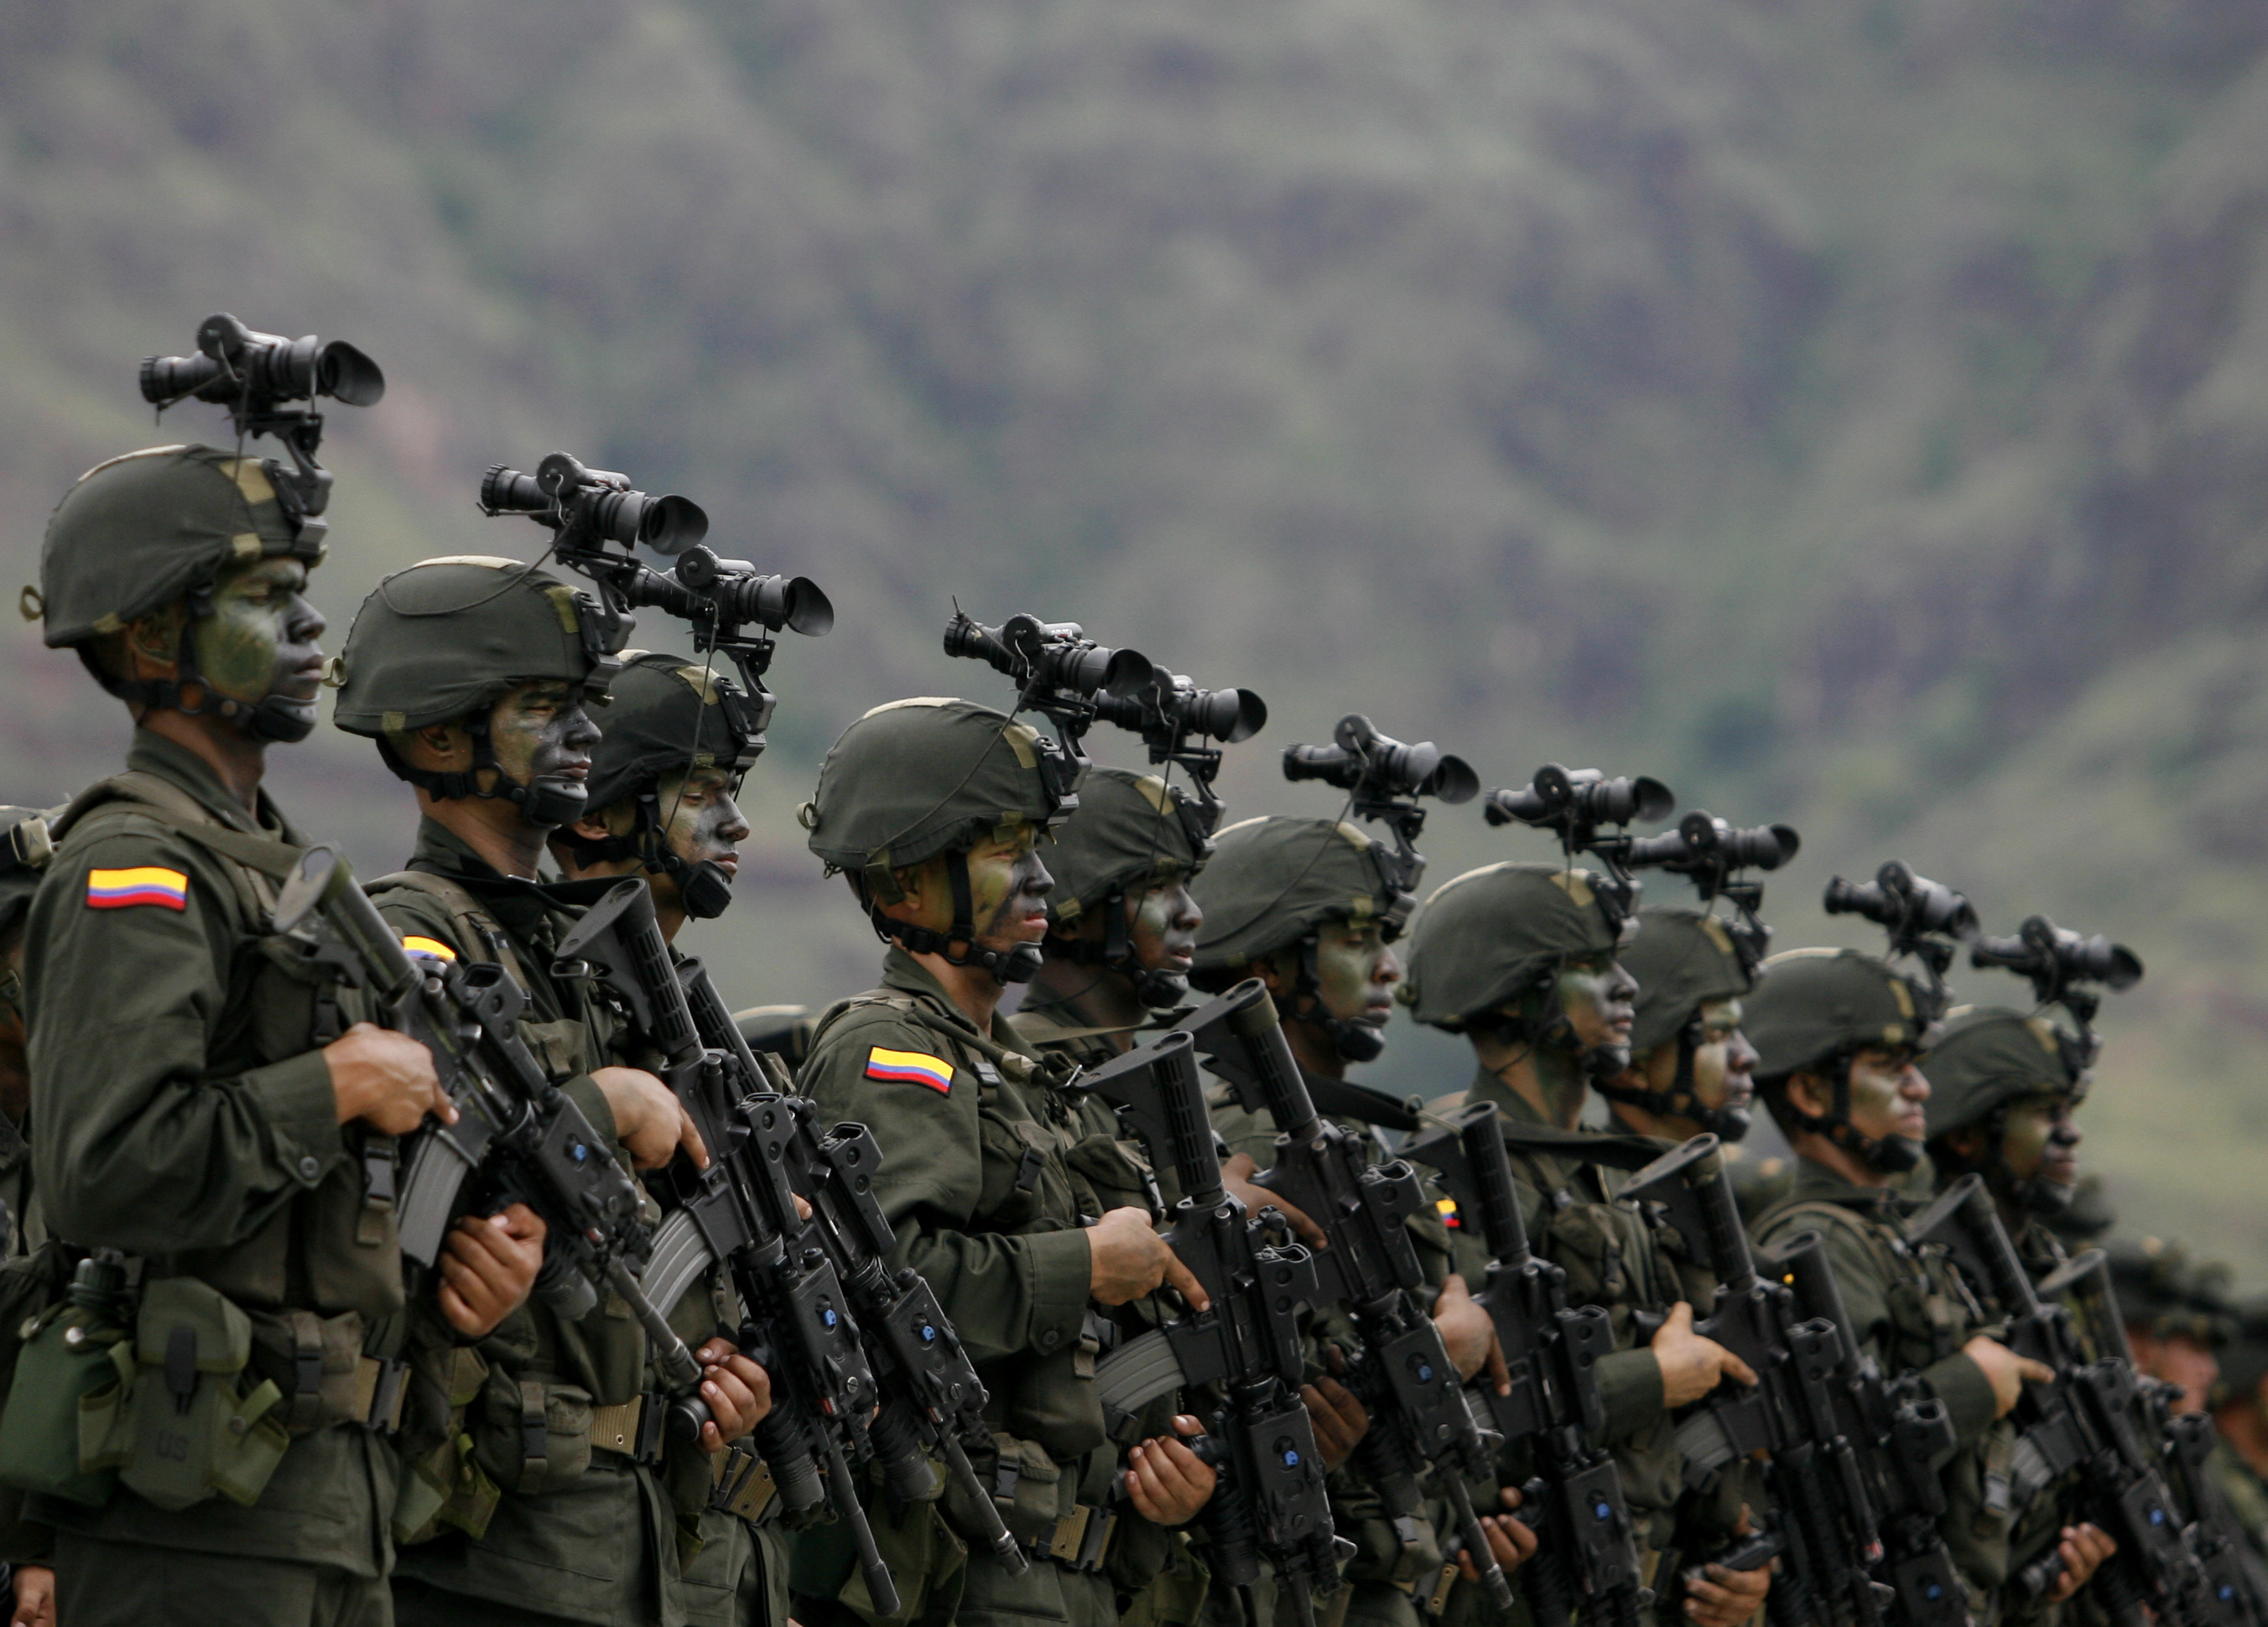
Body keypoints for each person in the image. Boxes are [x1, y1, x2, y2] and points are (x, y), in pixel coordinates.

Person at [18, 447, 544, 1626]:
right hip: (191, 1522)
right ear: (156, 639)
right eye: (265, 599)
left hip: (319, 1504)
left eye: (303, 592)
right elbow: (105, 1174)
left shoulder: (269, 868)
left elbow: (308, 1223)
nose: (311, 628)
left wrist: (473, 1272)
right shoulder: (138, 867)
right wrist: (335, 1084)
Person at [332, 560, 772, 1627]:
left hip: (623, 1543)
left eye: (588, 704)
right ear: (441, 737)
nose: (584, 733)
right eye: (544, 705)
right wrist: (605, 1106)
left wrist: (718, 1362)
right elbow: (411, 1196)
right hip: (488, 1553)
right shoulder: (410, 933)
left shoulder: (571, 960)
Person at [790, 697, 1218, 1627]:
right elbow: (883, 1291)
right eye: (1002, 851)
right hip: (959, 1579)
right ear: (905, 885)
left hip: (1067, 1575)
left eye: (1036, 848)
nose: (1040, 880)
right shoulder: (893, 1051)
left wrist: (1167, 1463)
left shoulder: (1023, 1073)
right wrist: (1086, 1265)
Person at [1399, 862, 1767, 1627]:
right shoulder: (1451, 1171)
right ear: (1515, 992)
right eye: (1593, 967)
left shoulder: (1610, 1173)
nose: (1628, 988)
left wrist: (1738, 1564)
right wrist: (1654, 1379)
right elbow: (1471, 1407)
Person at [1187, 818, 1522, 1627]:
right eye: (1355, 940)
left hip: (1380, 1562)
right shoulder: (1244, 1139)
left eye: (1386, 941)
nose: (1387, 969)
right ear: (1269, 966)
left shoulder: (1351, 1136)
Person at [1744, 948, 2107, 1622]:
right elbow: (1835, 1460)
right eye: (1890, 1069)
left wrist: (2038, 1571)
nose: (1919, 1089)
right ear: (1811, 1093)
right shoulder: (1819, 1243)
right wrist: (1972, 1384)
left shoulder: (1896, 1238)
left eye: (1915, 1066)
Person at [546, 647, 788, 1627]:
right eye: (699, 792)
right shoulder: (539, 984)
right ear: (596, 813)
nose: (736, 822)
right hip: (548, 1534)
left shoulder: (702, 1037)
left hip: (667, 1535)